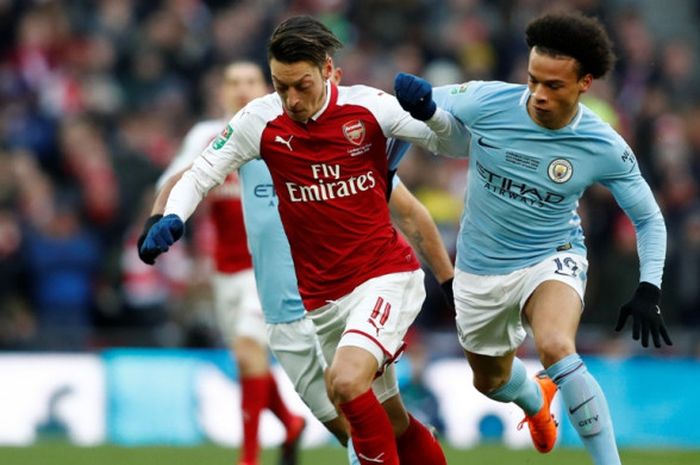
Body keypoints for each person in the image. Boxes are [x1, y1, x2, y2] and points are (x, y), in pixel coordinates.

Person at [139, 15, 467, 465]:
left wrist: (430, 112)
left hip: (383, 275)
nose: (291, 99)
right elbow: (200, 173)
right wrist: (172, 217)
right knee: (390, 420)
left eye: (302, 85)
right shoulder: (259, 120)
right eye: (280, 86)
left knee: (347, 383)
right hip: (321, 300)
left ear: (328, 69)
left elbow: (453, 144)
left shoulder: (369, 108)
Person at [394, 12, 671, 465]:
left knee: (557, 346)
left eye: (554, 86)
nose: (539, 95)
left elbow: (649, 218)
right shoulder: (486, 99)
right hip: (479, 270)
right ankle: (534, 401)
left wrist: (650, 286)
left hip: (552, 255)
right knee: (490, 381)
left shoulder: (603, 145)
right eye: (533, 80)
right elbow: (407, 115)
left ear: (585, 83)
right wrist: (415, 107)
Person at [139, 61, 305, 465]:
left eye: (250, 81)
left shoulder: (281, 130)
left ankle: (247, 458)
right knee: (246, 360)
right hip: (223, 271)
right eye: (233, 83)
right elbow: (173, 180)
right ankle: (290, 424)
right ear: (222, 92)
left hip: (267, 269)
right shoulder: (207, 137)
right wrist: (160, 217)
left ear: (264, 87)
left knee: (250, 352)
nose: (242, 89)